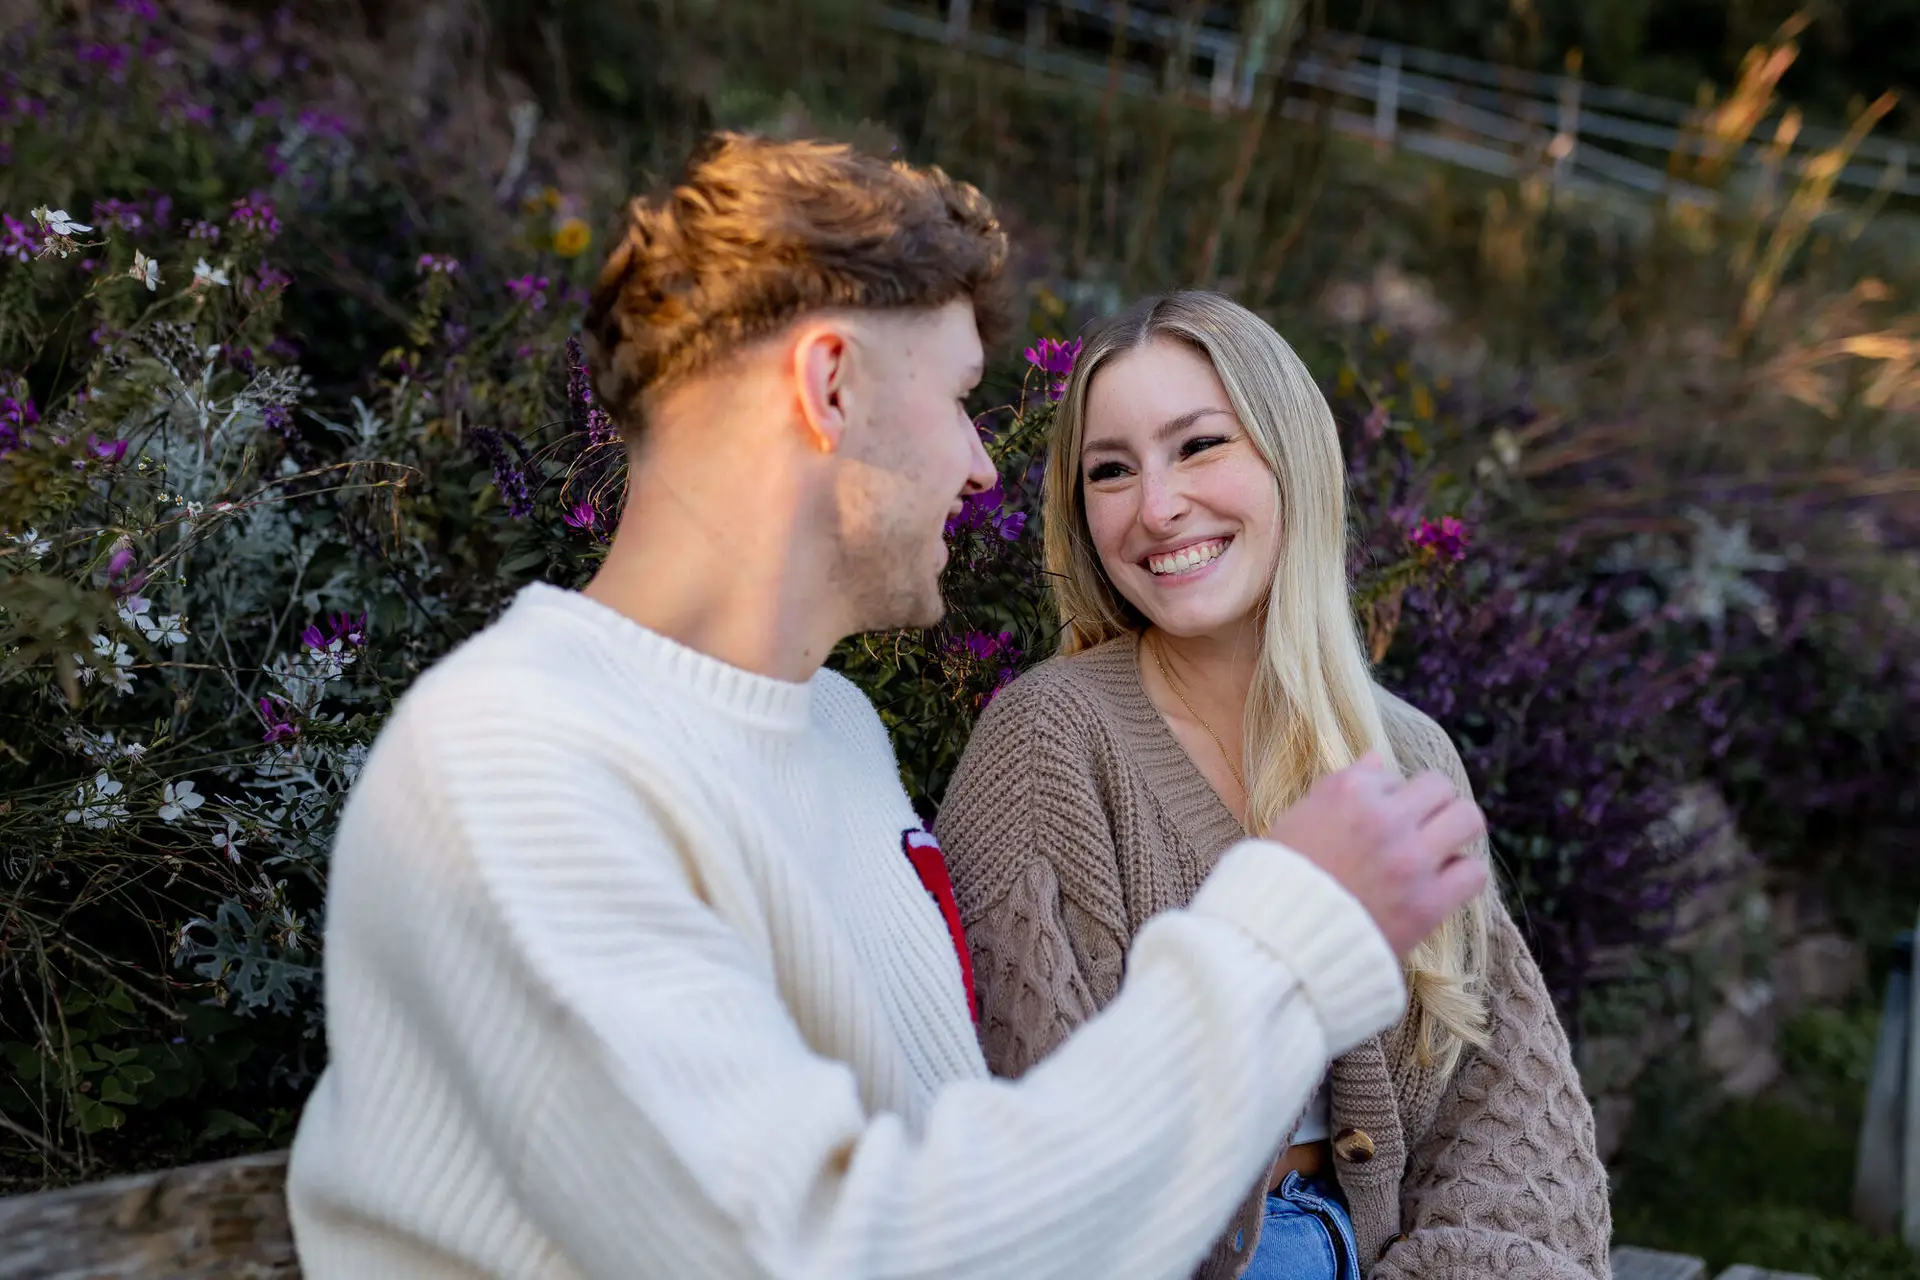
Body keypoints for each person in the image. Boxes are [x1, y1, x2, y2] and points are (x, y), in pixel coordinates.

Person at [284, 135, 1488, 1279]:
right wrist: (1285, 933)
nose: (983, 462)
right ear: (830, 384)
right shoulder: (520, 762)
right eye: (963, 396)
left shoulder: (837, 734)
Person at [938, 291, 1611, 1280]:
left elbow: (1507, 1120)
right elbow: (1050, 1160)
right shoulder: (1049, 742)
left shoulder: (1408, 754)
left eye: (1198, 445)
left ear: (1291, 457)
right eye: (1111, 470)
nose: (1156, 505)